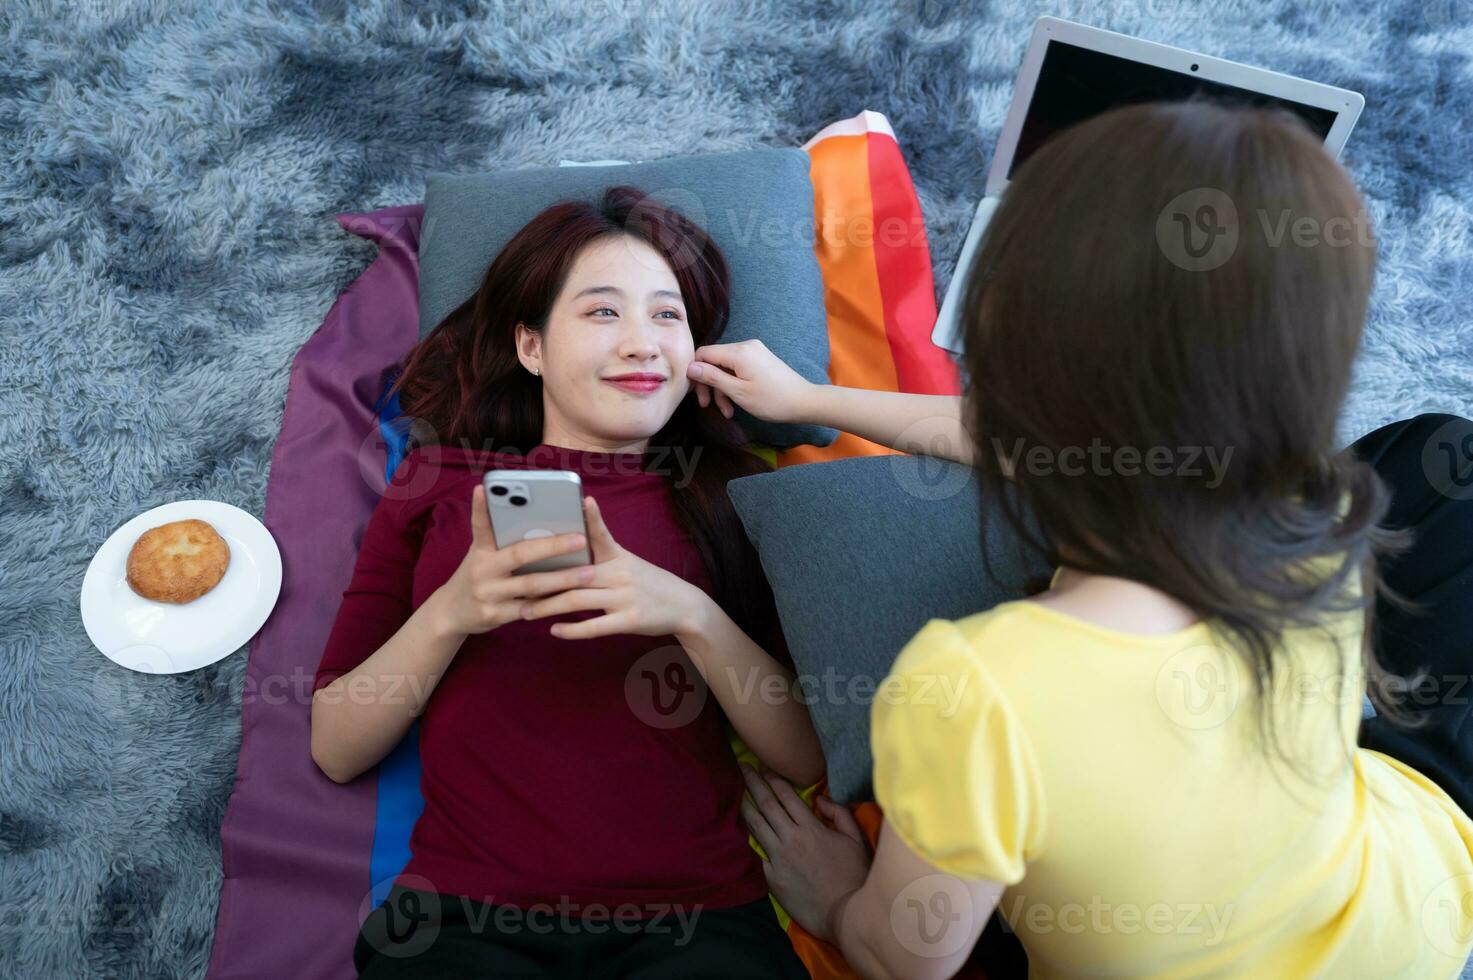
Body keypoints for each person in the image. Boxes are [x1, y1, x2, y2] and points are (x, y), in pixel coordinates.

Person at [688, 100, 1473, 978]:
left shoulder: (975, 688)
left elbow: (905, 959)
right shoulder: (1320, 515)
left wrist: (836, 898)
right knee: (1445, 456)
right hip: (1406, 912)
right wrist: (810, 401)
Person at [309, 185, 820, 978]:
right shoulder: (435, 482)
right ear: (531, 347)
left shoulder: (732, 492)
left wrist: (691, 615)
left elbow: (805, 756)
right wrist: (451, 613)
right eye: (603, 313)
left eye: (667, 315)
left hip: (696, 920)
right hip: (462, 918)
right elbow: (336, 747)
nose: (644, 344)